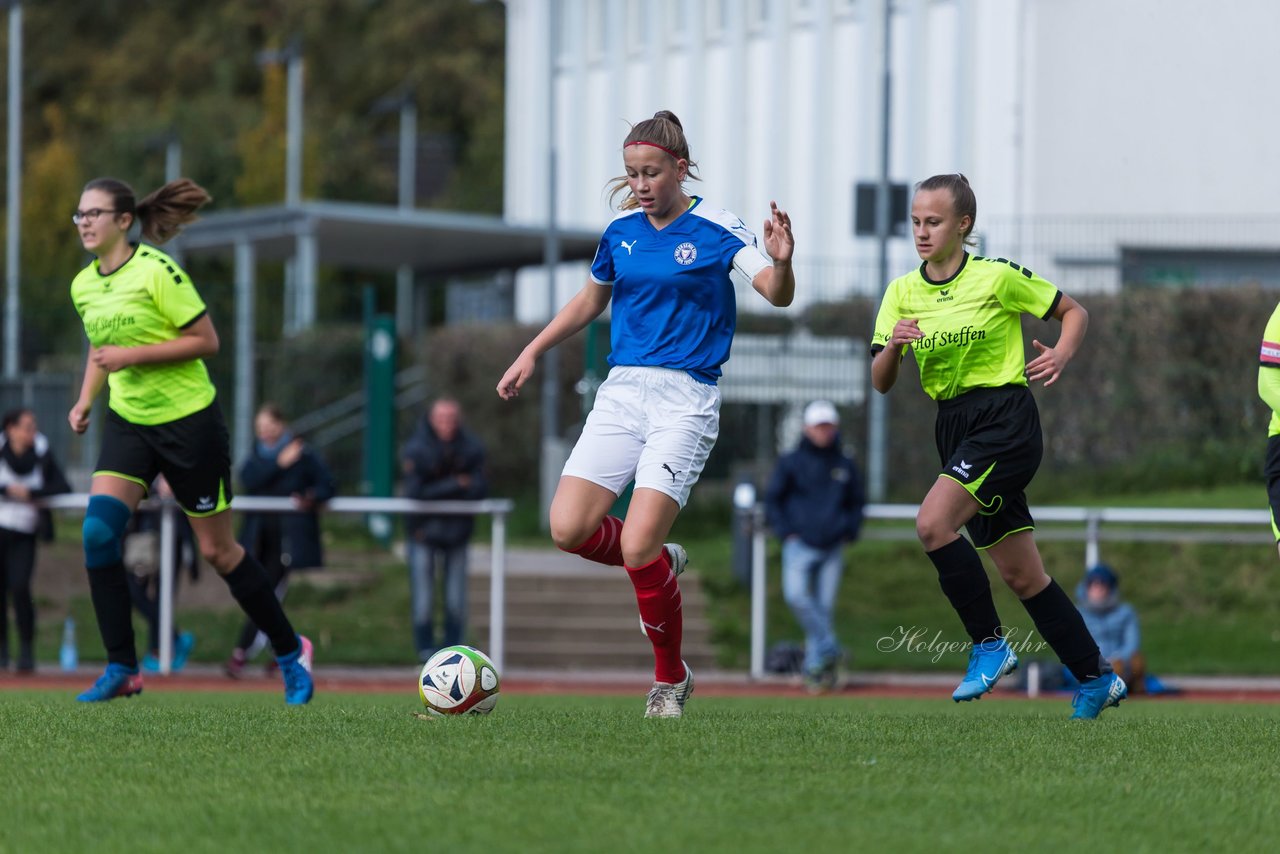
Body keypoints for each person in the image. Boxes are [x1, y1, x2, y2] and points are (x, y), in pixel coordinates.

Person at [497, 110, 795, 718]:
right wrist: (531, 350)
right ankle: (659, 559)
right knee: (566, 529)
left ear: (679, 169)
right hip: (623, 391)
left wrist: (783, 260)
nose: (640, 184)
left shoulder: (717, 225)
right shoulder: (621, 233)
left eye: (651, 173)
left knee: (635, 545)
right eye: (632, 174)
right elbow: (589, 301)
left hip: (686, 399)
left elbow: (774, 292)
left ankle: (669, 680)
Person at [869, 173, 1126, 719]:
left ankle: (989, 644)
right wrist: (892, 346)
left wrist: (1061, 354)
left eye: (933, 222)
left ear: (963, 225)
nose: (921, 231)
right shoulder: (900, 293)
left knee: (933, 524)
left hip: (1005, 420)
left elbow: (1073, 311)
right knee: (1022, 575)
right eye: (915, 221)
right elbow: (880, 380)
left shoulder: (997, 276)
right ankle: (1094, 676)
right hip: (954, 427)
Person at [67, 176, 314, 704]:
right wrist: (87, 400)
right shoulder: (82, 285)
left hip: (190, 424)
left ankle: (292, 652)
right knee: (96, 535)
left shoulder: (158, 271)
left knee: (219, 552)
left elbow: (206, 341)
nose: (84, 222)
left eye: (95, 213)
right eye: (79, 214)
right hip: (130, 423)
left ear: (124, 221)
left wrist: (129, 358)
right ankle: (123, 668)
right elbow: (99, 348)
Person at [226, 403, 335, 677]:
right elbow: (248, 479)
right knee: (257, 595)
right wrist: (278, 463)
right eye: (261, 428)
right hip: (257, 539)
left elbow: (327, 485)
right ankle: (288, 650)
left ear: (282, 424)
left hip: (287, 541)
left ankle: (242, 653)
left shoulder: (304, 454)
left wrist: (311, 496)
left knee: (266, 597)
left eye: (271, 426)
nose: (266, 432)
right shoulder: (257, 455)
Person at [764, 400, 865, 693]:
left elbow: (857, 502)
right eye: (819, 426)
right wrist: (786, 533)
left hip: (833, 546)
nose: (824, 431)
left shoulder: (844, 463)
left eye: (829, 425)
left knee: (824, 608)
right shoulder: (791, 462)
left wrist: (850, 530)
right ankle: (830, 648)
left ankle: (814, 669)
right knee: (796, 597)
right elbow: (773, 500)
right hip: (799, 545)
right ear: (807, 428)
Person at [401, 398, 487, 662]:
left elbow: (480, 488)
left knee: (455, 601)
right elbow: (415, 493)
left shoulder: (472, 447)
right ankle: (425, 654)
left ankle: (451, 656)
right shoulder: (415, 448)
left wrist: (439, 486)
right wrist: (456, 483)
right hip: (422, 533)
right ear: (430, 419)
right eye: (441, 418)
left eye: (451, 417)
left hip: (457, 534)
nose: (446, 423)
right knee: (423, 602)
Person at [0, 408, 72, 673]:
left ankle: (27, 651)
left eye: (34, 426)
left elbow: (63, 487)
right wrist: (7, 489)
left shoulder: (42, 452)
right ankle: (2, 651)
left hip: (25, 531)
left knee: (20, 588)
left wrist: (31, 492)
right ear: (11, 428)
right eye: (27, 426)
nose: (33, 432)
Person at [122, 474, 198, 673]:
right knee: (134, 593)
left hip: (174, 539)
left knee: (163, 598)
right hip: (142, 540)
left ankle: (157, 652)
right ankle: (175, 637)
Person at [1074, 563, 1145, 694]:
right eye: (1093, 583)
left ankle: (1130, 692)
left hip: (1119, 666)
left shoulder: (1126, 612)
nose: (1098, 588)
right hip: (1089, 666)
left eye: (1102, 583)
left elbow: (1132, 644)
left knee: (1136, 661)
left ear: (1111, 588)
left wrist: (1114, 660)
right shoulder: (1077, 613)